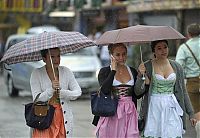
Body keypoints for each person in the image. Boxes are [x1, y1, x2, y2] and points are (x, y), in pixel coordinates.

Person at [135, 40, 196, 137]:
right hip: (153, 107)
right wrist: (140, 75)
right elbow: (138, 92)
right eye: (159, 48)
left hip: (172, 106)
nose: (163, 50)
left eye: (165, 47)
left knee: (173, 133)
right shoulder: (147, 66)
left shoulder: (177, 66)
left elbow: (183, 92)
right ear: (153, 51)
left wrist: (191, 113)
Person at [92, 43, 143, 138]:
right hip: (111, 111)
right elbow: (105, 91)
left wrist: (141, 77)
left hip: (130, 112)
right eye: (118, 55)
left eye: (124, 54)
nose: (121, 57)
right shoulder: (105, 71)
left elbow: (138, 94)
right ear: (111, 55)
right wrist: (113, 71)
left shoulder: (132, 71)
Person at [30, 47, 82, 138]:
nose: (56, 59)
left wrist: (62, 93)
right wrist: (51, 90)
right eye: (52, 56)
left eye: (58, 56)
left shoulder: (66, 71)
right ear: (44, 59)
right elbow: (36, 99)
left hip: (63, 118)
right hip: (44, 118)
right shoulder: (36, 73)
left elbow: (77, 92)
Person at [175, 23, 200, 137]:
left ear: (188, 34)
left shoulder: (184, 48)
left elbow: (178, 67)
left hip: (192, 82)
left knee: (197, 112)